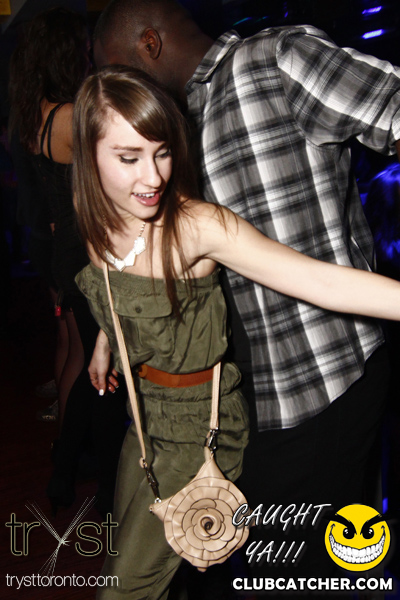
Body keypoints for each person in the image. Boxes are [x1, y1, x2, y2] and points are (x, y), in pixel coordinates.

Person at [92, 0, 400, 580]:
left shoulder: (276, 58)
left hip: (326, 376)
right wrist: (112, 329)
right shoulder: (170, 130)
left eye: (117, 69)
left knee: (316, 568)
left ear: (149, 45)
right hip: (242, 397)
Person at [8, 8, 127, 516]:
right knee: (105, 373)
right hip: (88, 253)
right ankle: (106, 492)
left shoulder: (36, 111)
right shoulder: (70, 115)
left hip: (67, 251)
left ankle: (63, 469)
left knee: (83, 360)